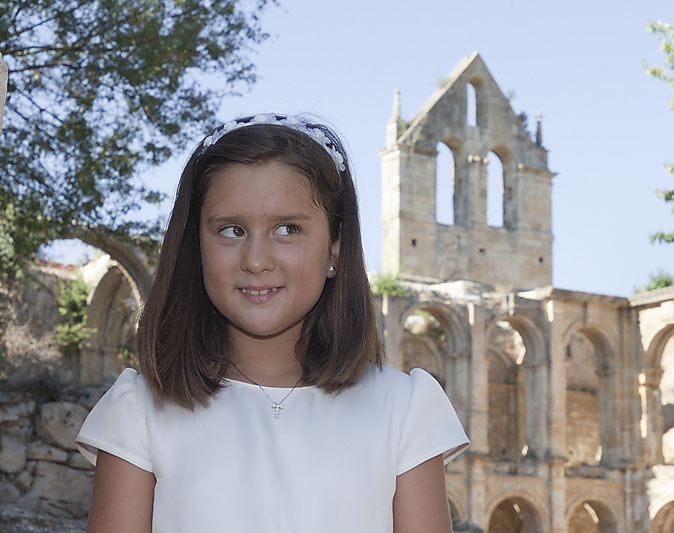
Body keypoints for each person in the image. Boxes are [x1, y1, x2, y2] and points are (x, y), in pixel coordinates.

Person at [75, 113, 469, 533]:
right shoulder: (139, 411)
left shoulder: (403, 410)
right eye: (231, 230)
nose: (257, 260)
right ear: (197, 247)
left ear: (335, 246)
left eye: (287, 228)